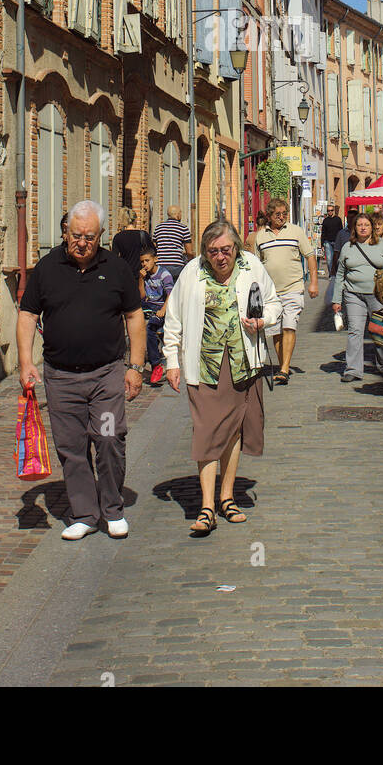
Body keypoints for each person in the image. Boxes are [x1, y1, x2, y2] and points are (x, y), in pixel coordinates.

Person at [17, 200, 145, 541]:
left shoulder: (116, 268)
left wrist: (135, 366)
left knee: (108, 438)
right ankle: (85, 514)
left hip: (106, 375)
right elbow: (28, 315)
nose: (82, 243)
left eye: (89, 237)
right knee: (71, 446)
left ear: (101, 235)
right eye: (76, 235)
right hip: (60, 377)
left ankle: (113, 509)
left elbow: (134, 316)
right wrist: (26, 362)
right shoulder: (47, 268)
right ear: (65, 232)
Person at [163, 219, 282, 536]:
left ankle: (227, 498)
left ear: (236, 248)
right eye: (213, 251)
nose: (220, 257)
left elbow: (274, 304)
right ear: (205, 251)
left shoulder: (251, 266)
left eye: (226, 250)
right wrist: (171, 361)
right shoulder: (192, 272)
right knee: (206, 431)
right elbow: (173, 318)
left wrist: (263, 320)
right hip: (204, 366)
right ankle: (206, 507)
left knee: (232, 430)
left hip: (244, 362)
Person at [254, 198, 319, 384]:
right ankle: (284, 365)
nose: (282, 217)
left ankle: (283, 369)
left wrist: (313, 283)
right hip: (271, 292)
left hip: (293, 287)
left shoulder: (295, 231)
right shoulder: (261, 236)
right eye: (278, 214)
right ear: (269, 216)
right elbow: (257, 265)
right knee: (276, 331)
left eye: (284, 214)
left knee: (289, 326)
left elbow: (310, 256)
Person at [331, 212, 383, 382]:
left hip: (378, 295)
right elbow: (340, 274)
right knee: (355, 331)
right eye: (359, 225)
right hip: (353, 295)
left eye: (366, 225)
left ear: (372, 227)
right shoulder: (347, 247)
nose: (363, 228)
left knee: (380, 331)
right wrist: (336, 299)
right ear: (354, 228)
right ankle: (353, 369)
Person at [138, 241, 174, 386]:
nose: (144, 264)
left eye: (147, 261)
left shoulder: (164, 274)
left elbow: (171, 295)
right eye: (142, 262)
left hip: (162, 308)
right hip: (149, 306)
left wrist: (163, 310)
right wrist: (140, 279)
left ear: (155, 259)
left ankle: (156, 365)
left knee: (150, 329)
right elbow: (142, 297)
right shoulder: (144, 275)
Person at [152, 206, 194, 284]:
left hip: (160, 265)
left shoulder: (158, 228)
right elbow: (189, 252)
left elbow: (153, 248)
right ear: (178, 215)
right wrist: (191, 265)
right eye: (180, 213)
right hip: (176, 266)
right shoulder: (183, 228)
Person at [112, 207, 152, 282]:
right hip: (142, 275)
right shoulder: (144, 235)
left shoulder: (118, 237)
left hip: (125, 275)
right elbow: (153, 253)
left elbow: (114, 258)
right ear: (135, 220)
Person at [320, 205, 343, 274]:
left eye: (331, 210)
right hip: (328, 242)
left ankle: (337, 274)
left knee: (337, 259)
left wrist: (341, 242)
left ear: (333, 211)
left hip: (337, 242)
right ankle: (331, 275)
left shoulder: (338, 219)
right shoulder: (325, 221)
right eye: (328, 211)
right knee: (329, 260)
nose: (330, 212)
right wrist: (322, 244)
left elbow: (341, 231)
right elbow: (323, 233)